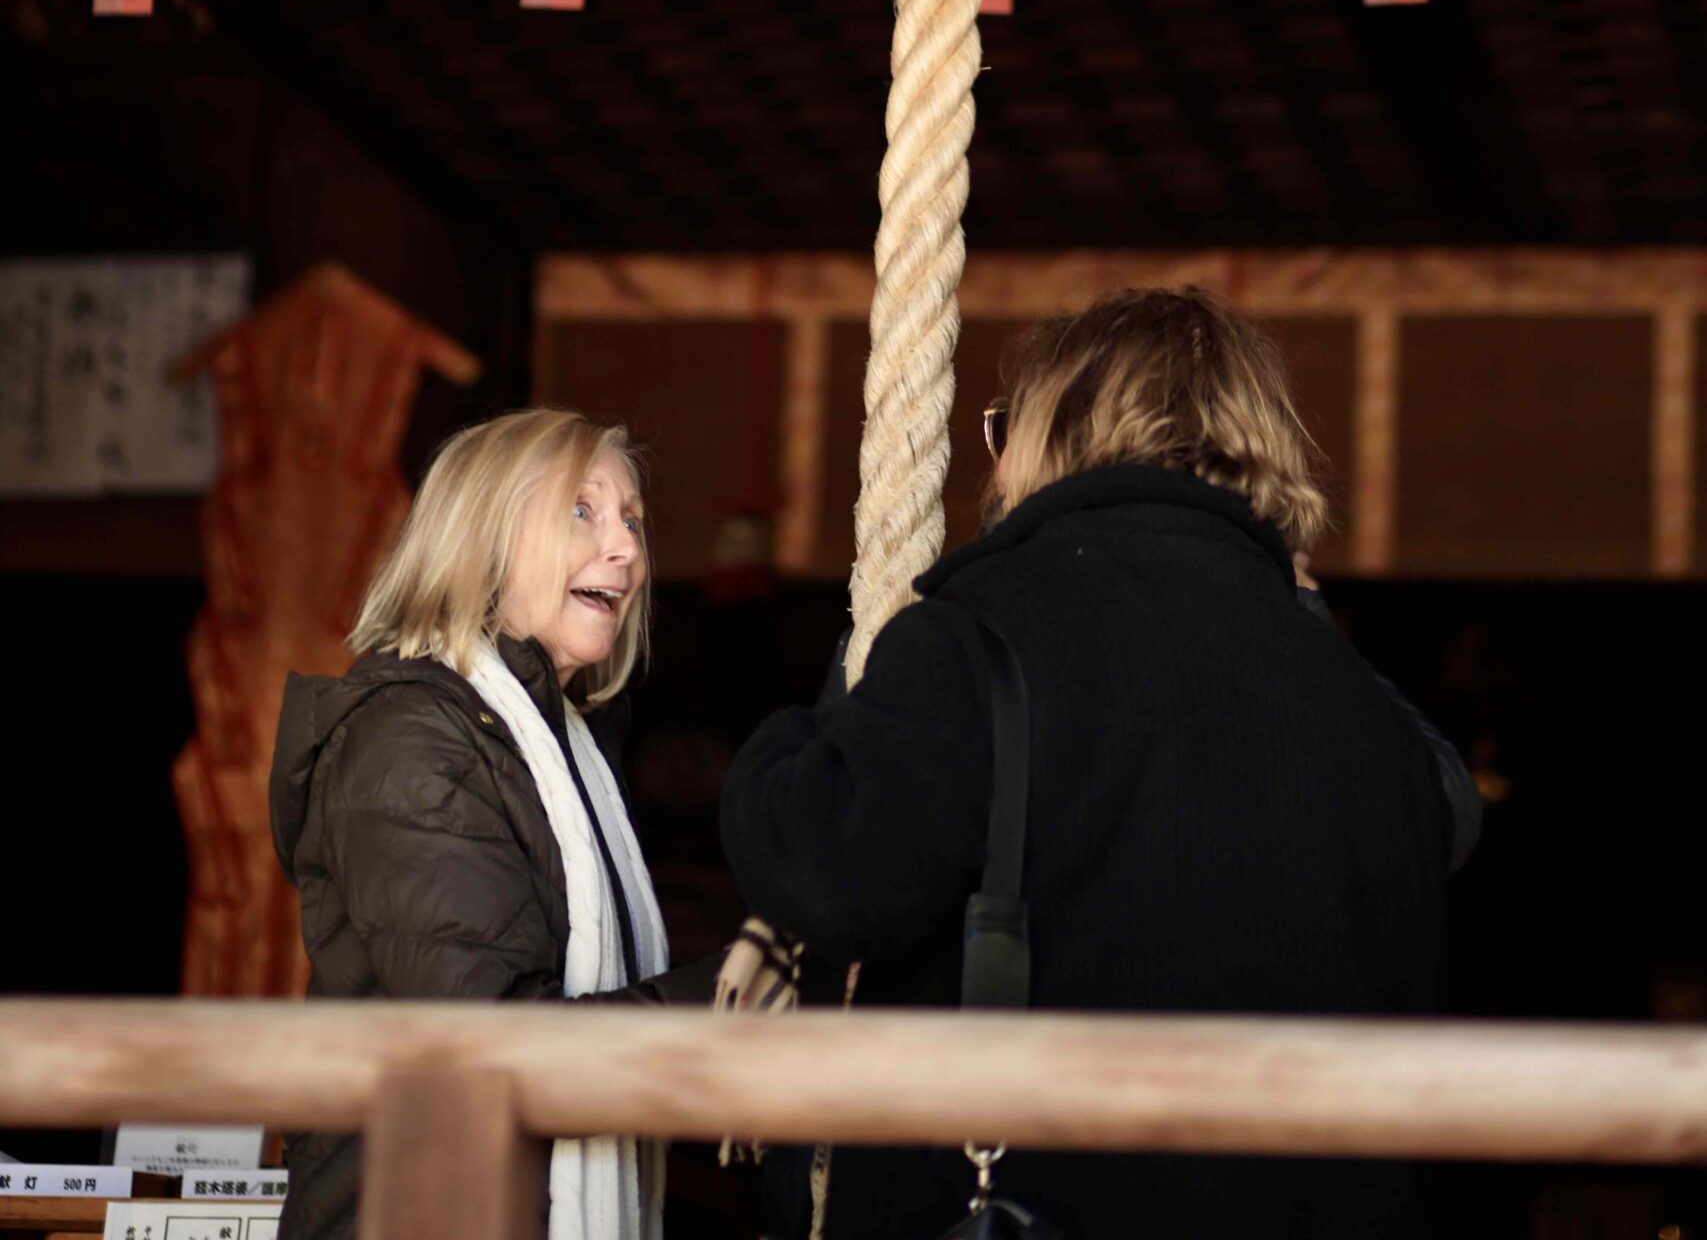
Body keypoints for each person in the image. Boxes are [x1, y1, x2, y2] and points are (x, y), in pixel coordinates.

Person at [720, 287, 1480, 1240]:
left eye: (1004, 429)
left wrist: (788, 739)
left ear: (1056, 432)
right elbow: (1446, 827)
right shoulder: (1353, 692)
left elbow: (827, 872)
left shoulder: (983, 630)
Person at [271, 408, 716, 1240]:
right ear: (481, 538)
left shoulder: (559, 745)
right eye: (581, 511)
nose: (624, 549)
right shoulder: (407, 741)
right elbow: (499, 1047)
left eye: (632, 521)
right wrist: (729, 997)